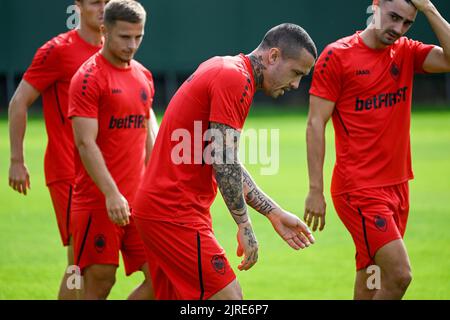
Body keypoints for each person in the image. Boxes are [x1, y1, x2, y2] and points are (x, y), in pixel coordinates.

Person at [132, 23, 317, 300]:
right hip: (174, 212)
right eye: (296, 73)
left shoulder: (227, 68)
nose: (295, 84)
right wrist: (245, 226)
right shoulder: (235, 79)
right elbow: (225, 162)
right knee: (231, 300)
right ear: (274, 56)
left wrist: (273, 212)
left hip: (164, 210)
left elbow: (225, 161)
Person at [305, 0, 450, 300]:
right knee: (399, 275)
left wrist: (430, 10)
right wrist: (315, 190)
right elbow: (315, 123)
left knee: (372, 276)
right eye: (393, 17)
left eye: (407, 23)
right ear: (376, 6)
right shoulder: (338, 56)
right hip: (358, 190)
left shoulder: (407, 52)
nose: (398, 29)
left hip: (398, 187)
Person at [8, 0, 109, 300]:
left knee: (93, 264)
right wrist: (16, 159)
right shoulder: (58, 50)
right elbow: (18, 102)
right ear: (77, 6)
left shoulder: (114, 50)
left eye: (107, 2)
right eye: (94, 2)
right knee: (78, 263)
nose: (102, 8)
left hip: (105, 175)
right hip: (69, 174)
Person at [68, 0, 157, 300]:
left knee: (161, 278)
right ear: (105, 30)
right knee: (99, 284)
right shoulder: (88, 78)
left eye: (139, 37)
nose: (132, 45)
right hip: (98, 202)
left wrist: (155, 187)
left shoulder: (143, 75)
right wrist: (111, 193)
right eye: (124, 37)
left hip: (139, 204)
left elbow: (147, 130)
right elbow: (85, 142)